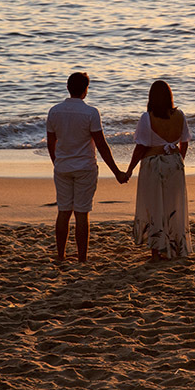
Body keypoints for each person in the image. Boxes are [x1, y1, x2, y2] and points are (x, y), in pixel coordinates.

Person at [46, 71, 127, 263]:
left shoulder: (54, 111)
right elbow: (101, 144)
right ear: (85, 91)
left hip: (63, 166)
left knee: (64, 211)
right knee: (82, 213)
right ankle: (82, 258)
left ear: (67, 88)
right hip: (85, 167)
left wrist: (56, 161)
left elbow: (51, 142)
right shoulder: (91, 112)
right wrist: (116, 172)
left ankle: (61, 255)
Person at [124, 80, 192, 260]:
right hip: (174, 163)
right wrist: (179, 160)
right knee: (173, 206)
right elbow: (184, 141)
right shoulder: (179, 115)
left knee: (155, 207)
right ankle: (175, 247)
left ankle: (156, 251)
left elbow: (141, 147)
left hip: (155, 165)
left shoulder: (147, 118)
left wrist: (129, 169)